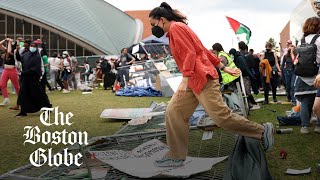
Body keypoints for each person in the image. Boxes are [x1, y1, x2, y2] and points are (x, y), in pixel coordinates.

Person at [148, 2, 274, 167]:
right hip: (194, 79)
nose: (153, 28)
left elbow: (191, 53)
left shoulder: (176, 28)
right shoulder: (177, 30)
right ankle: (176, 156)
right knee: (174, 113)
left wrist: (185, 79)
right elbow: (202, 49)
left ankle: (262, 131)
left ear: (162, 19)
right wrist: (223, 67)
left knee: (221, 117)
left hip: (202, 78)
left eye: (153, 24)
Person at [293, 17, 320, 134]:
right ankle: (318, 126)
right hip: (317, 74)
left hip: (302, 76)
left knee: (305, 102)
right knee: (319, 102)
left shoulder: (301, 40)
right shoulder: (319, 39)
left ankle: (304, 126)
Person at [15, 41, 52, 117]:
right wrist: (17, 51)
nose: (32, 47)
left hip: (33, 78)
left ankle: (47, 108)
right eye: (31, 45)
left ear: (36, 47)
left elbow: (36, 68)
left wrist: (37, 75)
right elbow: (19, 58)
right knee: (23, 93)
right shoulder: (26, 54)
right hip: (25, 77)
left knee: (39, 93)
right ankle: (23, 111)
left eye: (34, 46)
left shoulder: (37, 56)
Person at [0, 38, 20, 106]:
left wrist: (10, 41)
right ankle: (6, 99)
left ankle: (21, 100)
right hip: (6, 70)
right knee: (2, 84)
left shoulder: (13, 52)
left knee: (16, 86)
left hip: (12, 71)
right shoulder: (6, 50)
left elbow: (9, 51)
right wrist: (5, 39)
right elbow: (0, 44)